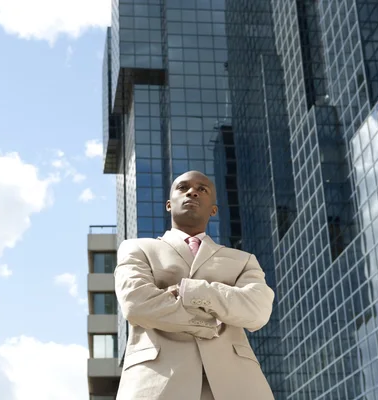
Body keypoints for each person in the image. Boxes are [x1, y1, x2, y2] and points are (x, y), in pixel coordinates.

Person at [114, 170, 275, 400]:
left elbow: (257, 312)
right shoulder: (137, 249)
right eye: (183, 188)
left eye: (202, 189)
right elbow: (137, 305)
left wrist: (189, 291)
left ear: (213, 209)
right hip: (157, 383)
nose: (192, 192)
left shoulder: (243, 260)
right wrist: (211, 321)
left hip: (237, 385)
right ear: (169, 205)